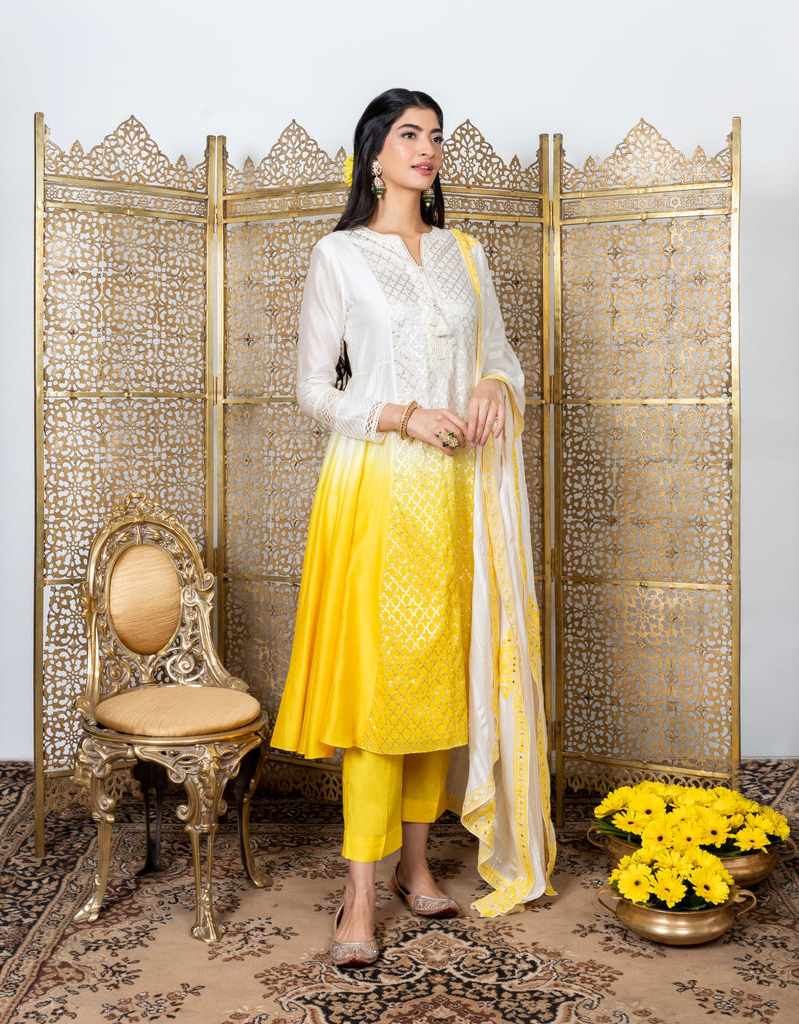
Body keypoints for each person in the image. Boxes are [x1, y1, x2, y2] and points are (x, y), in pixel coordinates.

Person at [271, 88, 555, 967]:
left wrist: (491, 383)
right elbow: (311, 389)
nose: (426, 148)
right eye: (408, 134)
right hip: (377, 493)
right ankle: (358, 893)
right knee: (376, 693)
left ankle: (416, 865)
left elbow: (498, 354)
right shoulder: (339, 254)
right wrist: (401, 415)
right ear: (374, 154)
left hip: (460, 494)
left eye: (434, 136)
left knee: (437, 682)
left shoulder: (466, 253)